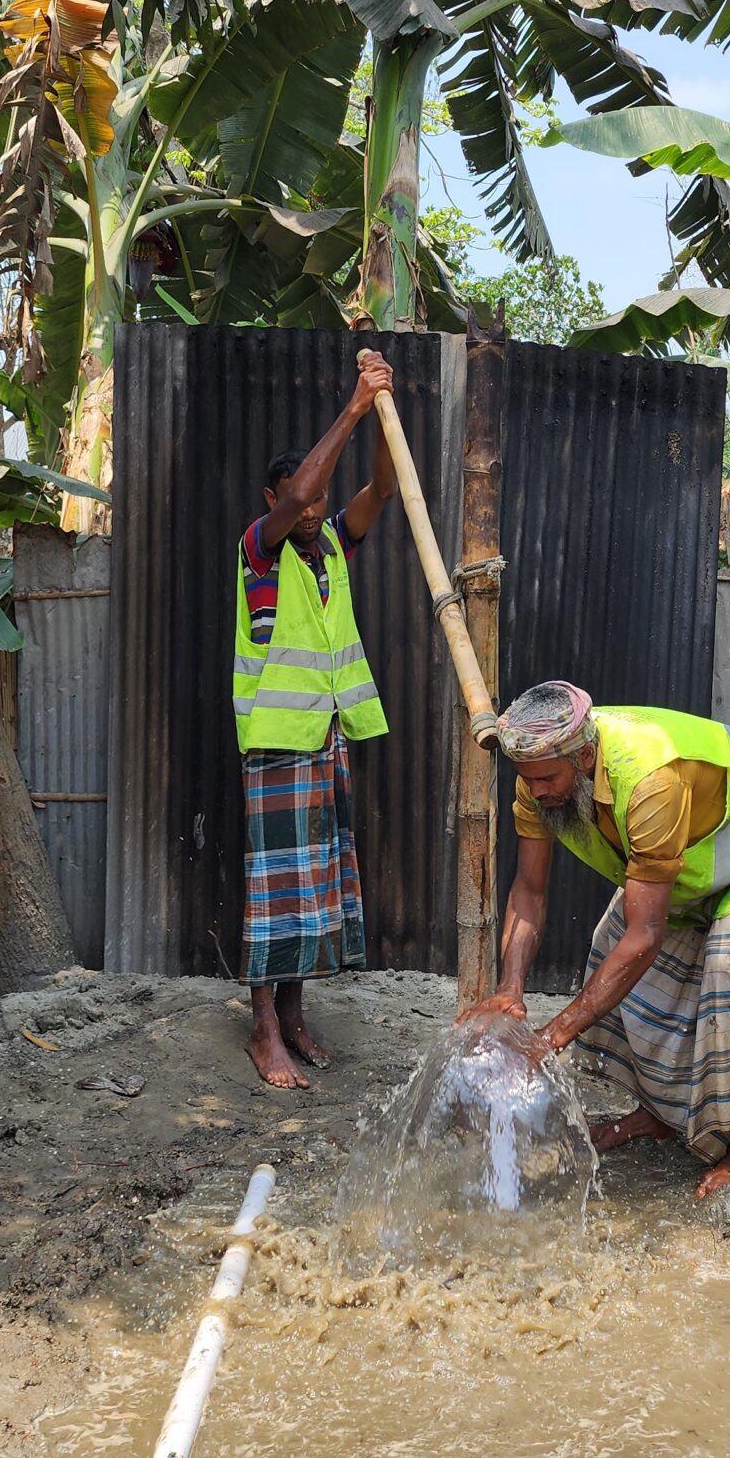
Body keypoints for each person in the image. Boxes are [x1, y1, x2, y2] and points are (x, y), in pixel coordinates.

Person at [461, 682, 730, 1198]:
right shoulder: (538, 774)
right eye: (527, 779)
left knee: (726, 973)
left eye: (547, 779)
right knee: (614, 951)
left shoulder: (649, 780)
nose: (536, 791)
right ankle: (661, 1113)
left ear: (584, 757)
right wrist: (510, 989)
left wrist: (551, 1038)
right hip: (685, 845)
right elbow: (529, 891)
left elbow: (645, 935)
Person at [234, 349, 399, 1089]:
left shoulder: (331, 542)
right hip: (275, 741)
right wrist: (354, 405)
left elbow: (383, 489)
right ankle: (263, 1028)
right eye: (297, 500)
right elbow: (304, 486)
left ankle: (295, 1015)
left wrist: (384, 412)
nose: (310, 509)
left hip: (325, 737)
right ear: (273, 499)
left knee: (313, 882)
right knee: (275, 887)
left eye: (317, 500)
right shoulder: (259, 549)